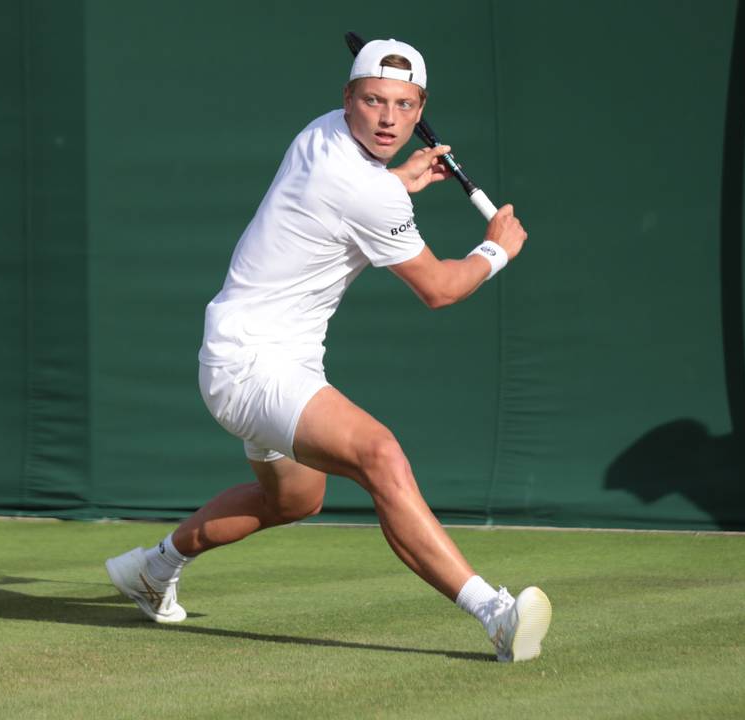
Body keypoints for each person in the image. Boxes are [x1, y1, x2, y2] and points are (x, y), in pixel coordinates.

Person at [105, 38, 551, 662]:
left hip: (266, 356)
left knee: (293, 499)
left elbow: (352, 199)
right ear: (348, 100)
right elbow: (440, 289)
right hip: (251, 362)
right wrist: (496, 248)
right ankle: (494, 614)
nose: (389, 118)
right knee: (380, 455)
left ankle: (152, 569)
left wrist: (399, 179)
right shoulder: (368, 189)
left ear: (421, 107)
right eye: (372, 101)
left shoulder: (321, 135)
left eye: (403, 104)